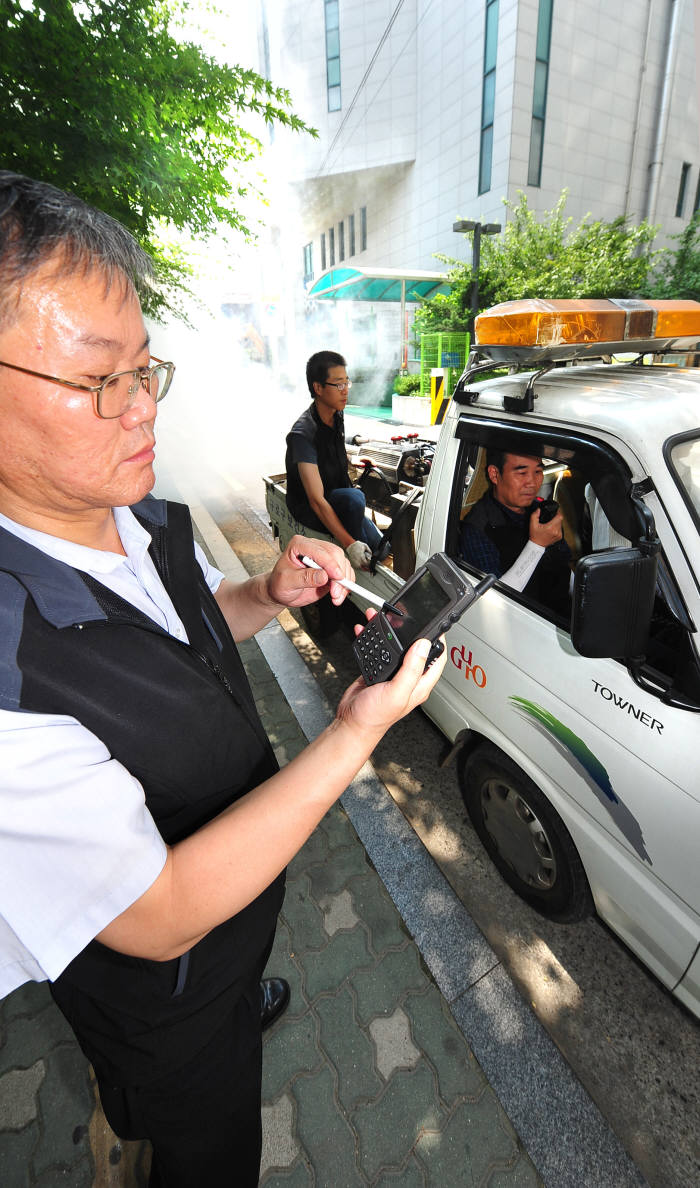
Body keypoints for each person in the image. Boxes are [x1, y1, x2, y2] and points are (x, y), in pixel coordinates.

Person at [0, 173, 446, 1187]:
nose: (141, 409)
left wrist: (267, 589)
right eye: (96, 380)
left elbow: (196, 622)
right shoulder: (7, 664)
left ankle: (239, 998)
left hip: (230, 927)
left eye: (146, 369)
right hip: (162, 991)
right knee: (208, 1147)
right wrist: (352, 734)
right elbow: (155, 913)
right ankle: (138, 1116)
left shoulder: (144, 515)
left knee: (232, 983)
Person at [285, 350, 384, 570]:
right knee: (354, 498)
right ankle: (355, 556)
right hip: (311, 509)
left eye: (347, 382)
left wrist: (352, 455)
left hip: (335, 495)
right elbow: (315, 500)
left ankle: (366, 546)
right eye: (338, 385)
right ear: (318, 388)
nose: (345, 390)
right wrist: (350, 545)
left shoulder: (335, 413)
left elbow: (330, 445)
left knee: (382, 547)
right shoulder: (302, 434)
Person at [460, 449, 571, 616]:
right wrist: (537, 545)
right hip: (522, 623)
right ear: (495, 475)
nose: (532, 483)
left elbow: (564, 568)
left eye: (538, 471)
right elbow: (494, 601)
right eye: (522, 473)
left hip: (562, 616)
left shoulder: (539, 511)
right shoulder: (477, 529)